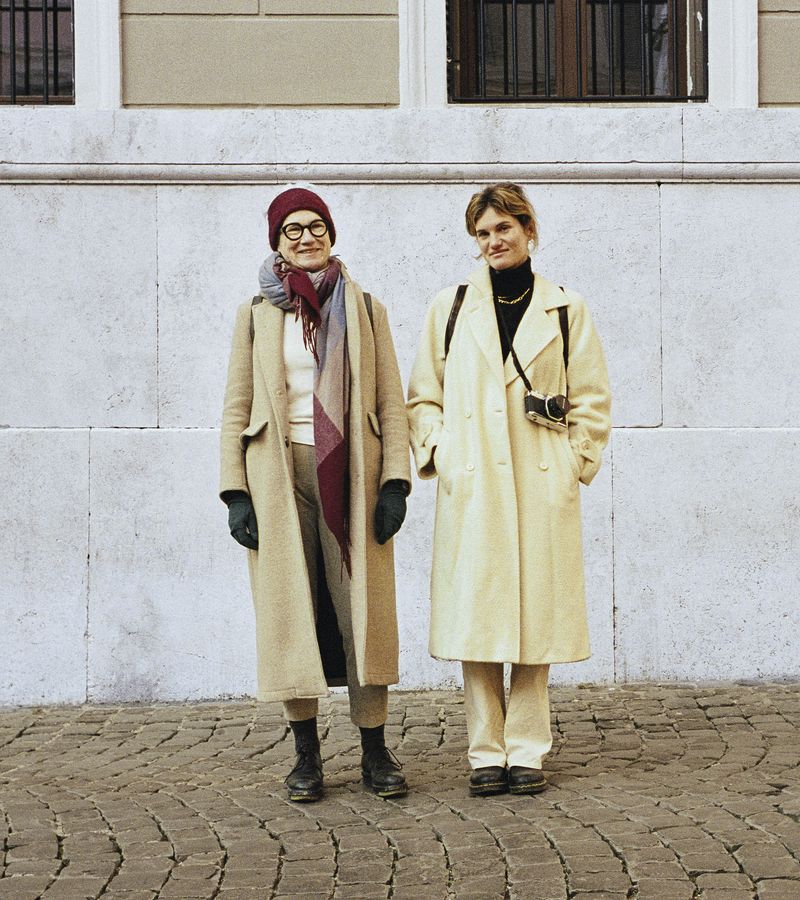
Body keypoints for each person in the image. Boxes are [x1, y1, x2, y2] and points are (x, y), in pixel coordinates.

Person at [407, 183, 611, 797]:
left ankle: (527, 748)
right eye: (483, 233)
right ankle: (483, 752)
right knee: (478, 621)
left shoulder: (566, 307)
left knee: (533, 622)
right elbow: (424, 395)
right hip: (474, 483)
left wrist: (573, 461)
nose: (494, 241)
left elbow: (593, 400)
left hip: (538, 479)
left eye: (504, 229)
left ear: (529, 231)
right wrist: (444, 452)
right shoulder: (450, 306)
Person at [220, 187, 411, 802]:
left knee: (360, 611)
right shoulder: (255, 314)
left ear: (332, 234)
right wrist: (235, 493)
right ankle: (306, 757)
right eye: (293, 229)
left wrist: (395, 482)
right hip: (278, 478)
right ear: (276, 242)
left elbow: (391, 401)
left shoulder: (365, 308)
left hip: (351, 472)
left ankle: (375, 753)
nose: (307, 237)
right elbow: (236, 405)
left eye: (317, 226)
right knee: (291, 611)